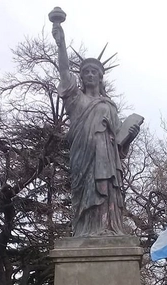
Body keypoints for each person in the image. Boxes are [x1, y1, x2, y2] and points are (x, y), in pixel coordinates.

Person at [52, 17, 140, 237]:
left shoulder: (109, 106)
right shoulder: (76, 99)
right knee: (84, 192)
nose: (90, 75)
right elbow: (64, 72)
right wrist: (61, 44)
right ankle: (84, 232)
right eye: (86, 72)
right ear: (81, 77)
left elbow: (119, 140)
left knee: (107, 191)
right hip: (82, 158)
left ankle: (108, 228)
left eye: (94, 72)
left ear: (100, 77)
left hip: (107, 158)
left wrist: (129, 136)